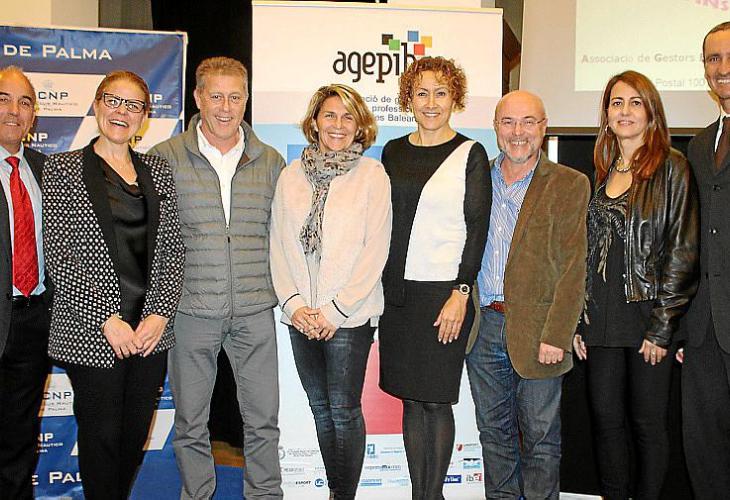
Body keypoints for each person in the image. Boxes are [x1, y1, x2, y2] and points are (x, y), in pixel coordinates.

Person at [42, 70, 185, 500]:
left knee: (133, 436)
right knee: (101, 439)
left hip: (148, 334)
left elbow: (173, 248)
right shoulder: (63, 169)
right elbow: (61, 257)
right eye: (113, 101)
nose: (122, 112)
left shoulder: (158, 170)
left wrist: (160, 313)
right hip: (92, 333)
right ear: (97, 104)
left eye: (133, 105)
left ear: (144, 116)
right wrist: (107, 319)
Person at [149, 56, 284, 499]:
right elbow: (152, 239)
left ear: (246, 100)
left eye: (235, 97)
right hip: (191, 310)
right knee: (190, 422)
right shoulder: (165, 157)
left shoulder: (270, 161)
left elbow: (283, 236)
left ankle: (265, 495)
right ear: (198, 98)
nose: (226, 108)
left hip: (254, 311)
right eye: (216, 96)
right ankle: (197, 494)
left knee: (263, 419)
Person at [573, 71, 698, 500]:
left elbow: (683, 252)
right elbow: (587, 253)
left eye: (634, 102)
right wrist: (579, 320)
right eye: (616, 103)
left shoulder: (672, 167)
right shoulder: (602, 170)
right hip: (601, 322)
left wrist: (663, 328)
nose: (624, 111)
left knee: (648, 426)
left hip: (647, 319)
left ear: (651, 112)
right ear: (606, 114)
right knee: (605, 423)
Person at [466, 90, 590, 499]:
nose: (518, 132)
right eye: (508, 122)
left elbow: (573, 268)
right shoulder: (476, 178)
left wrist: (558, 334)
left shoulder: (570, 184)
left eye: (528, 122)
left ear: (544, 127)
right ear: (495, 127)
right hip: (483, 329)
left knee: (540, 439)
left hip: (540, 333)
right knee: (494, 435)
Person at [270, 83, 391, 500]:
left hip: (349, 318)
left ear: (359, 126)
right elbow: (278, 245)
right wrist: (294, 306)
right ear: (315, 121)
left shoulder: (372, 175)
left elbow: (375, 250)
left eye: (347, 117)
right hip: (300, 317)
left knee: (343, 410)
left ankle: (343, 495)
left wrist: (334, 312)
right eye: (329, 115)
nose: (338, 124)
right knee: (321, 410)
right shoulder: (290, 176)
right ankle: (337, 491)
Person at [378, 56, 491, 500]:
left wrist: (461, 293)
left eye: (440, 93)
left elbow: (476, 230)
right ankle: (419, 494)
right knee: (411, 399)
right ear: (409, 98)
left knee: (436, 399)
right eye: (422, 93)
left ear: (454, 99)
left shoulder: (470, 154)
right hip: (398, 297)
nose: (431, 102)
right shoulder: (392, 151)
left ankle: (433, 495)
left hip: (444, 296)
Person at [682, 21, 730, 499]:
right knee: (705, 449)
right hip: (703, 330)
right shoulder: (698, 145)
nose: (723, 68)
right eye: (713, 59)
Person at [0, 65, 52, 499]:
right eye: (3, 99)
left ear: (33, 115)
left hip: (34, 322)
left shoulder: (44, 170)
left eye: (24, 102)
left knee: (19, 436)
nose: (13, 111)